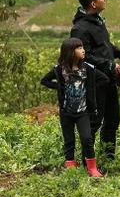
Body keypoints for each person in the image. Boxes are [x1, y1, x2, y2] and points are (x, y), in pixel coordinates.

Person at [70, 0, 120, 159]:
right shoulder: (80, 28)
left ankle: (108, 158)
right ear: (92, 3)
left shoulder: (98, 22)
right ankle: (87, 159)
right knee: (94, 122)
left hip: (108, 79)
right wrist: (109, 65)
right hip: (93, 82)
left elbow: (106, 47)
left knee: (113, 120)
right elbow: (84, 57)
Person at [41, 38, 109, 177]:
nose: (83, 50)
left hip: (83, 112)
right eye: (79, 48)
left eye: (82, 47)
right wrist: (60, 87)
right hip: (66, 111)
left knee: (86, 138)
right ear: (70, 52)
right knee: (69, 140)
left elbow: (104, 79)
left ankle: (92, 168)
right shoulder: (60, 69)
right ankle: (71, 166)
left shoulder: (88, 68)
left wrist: (89, 89)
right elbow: (45, 81)